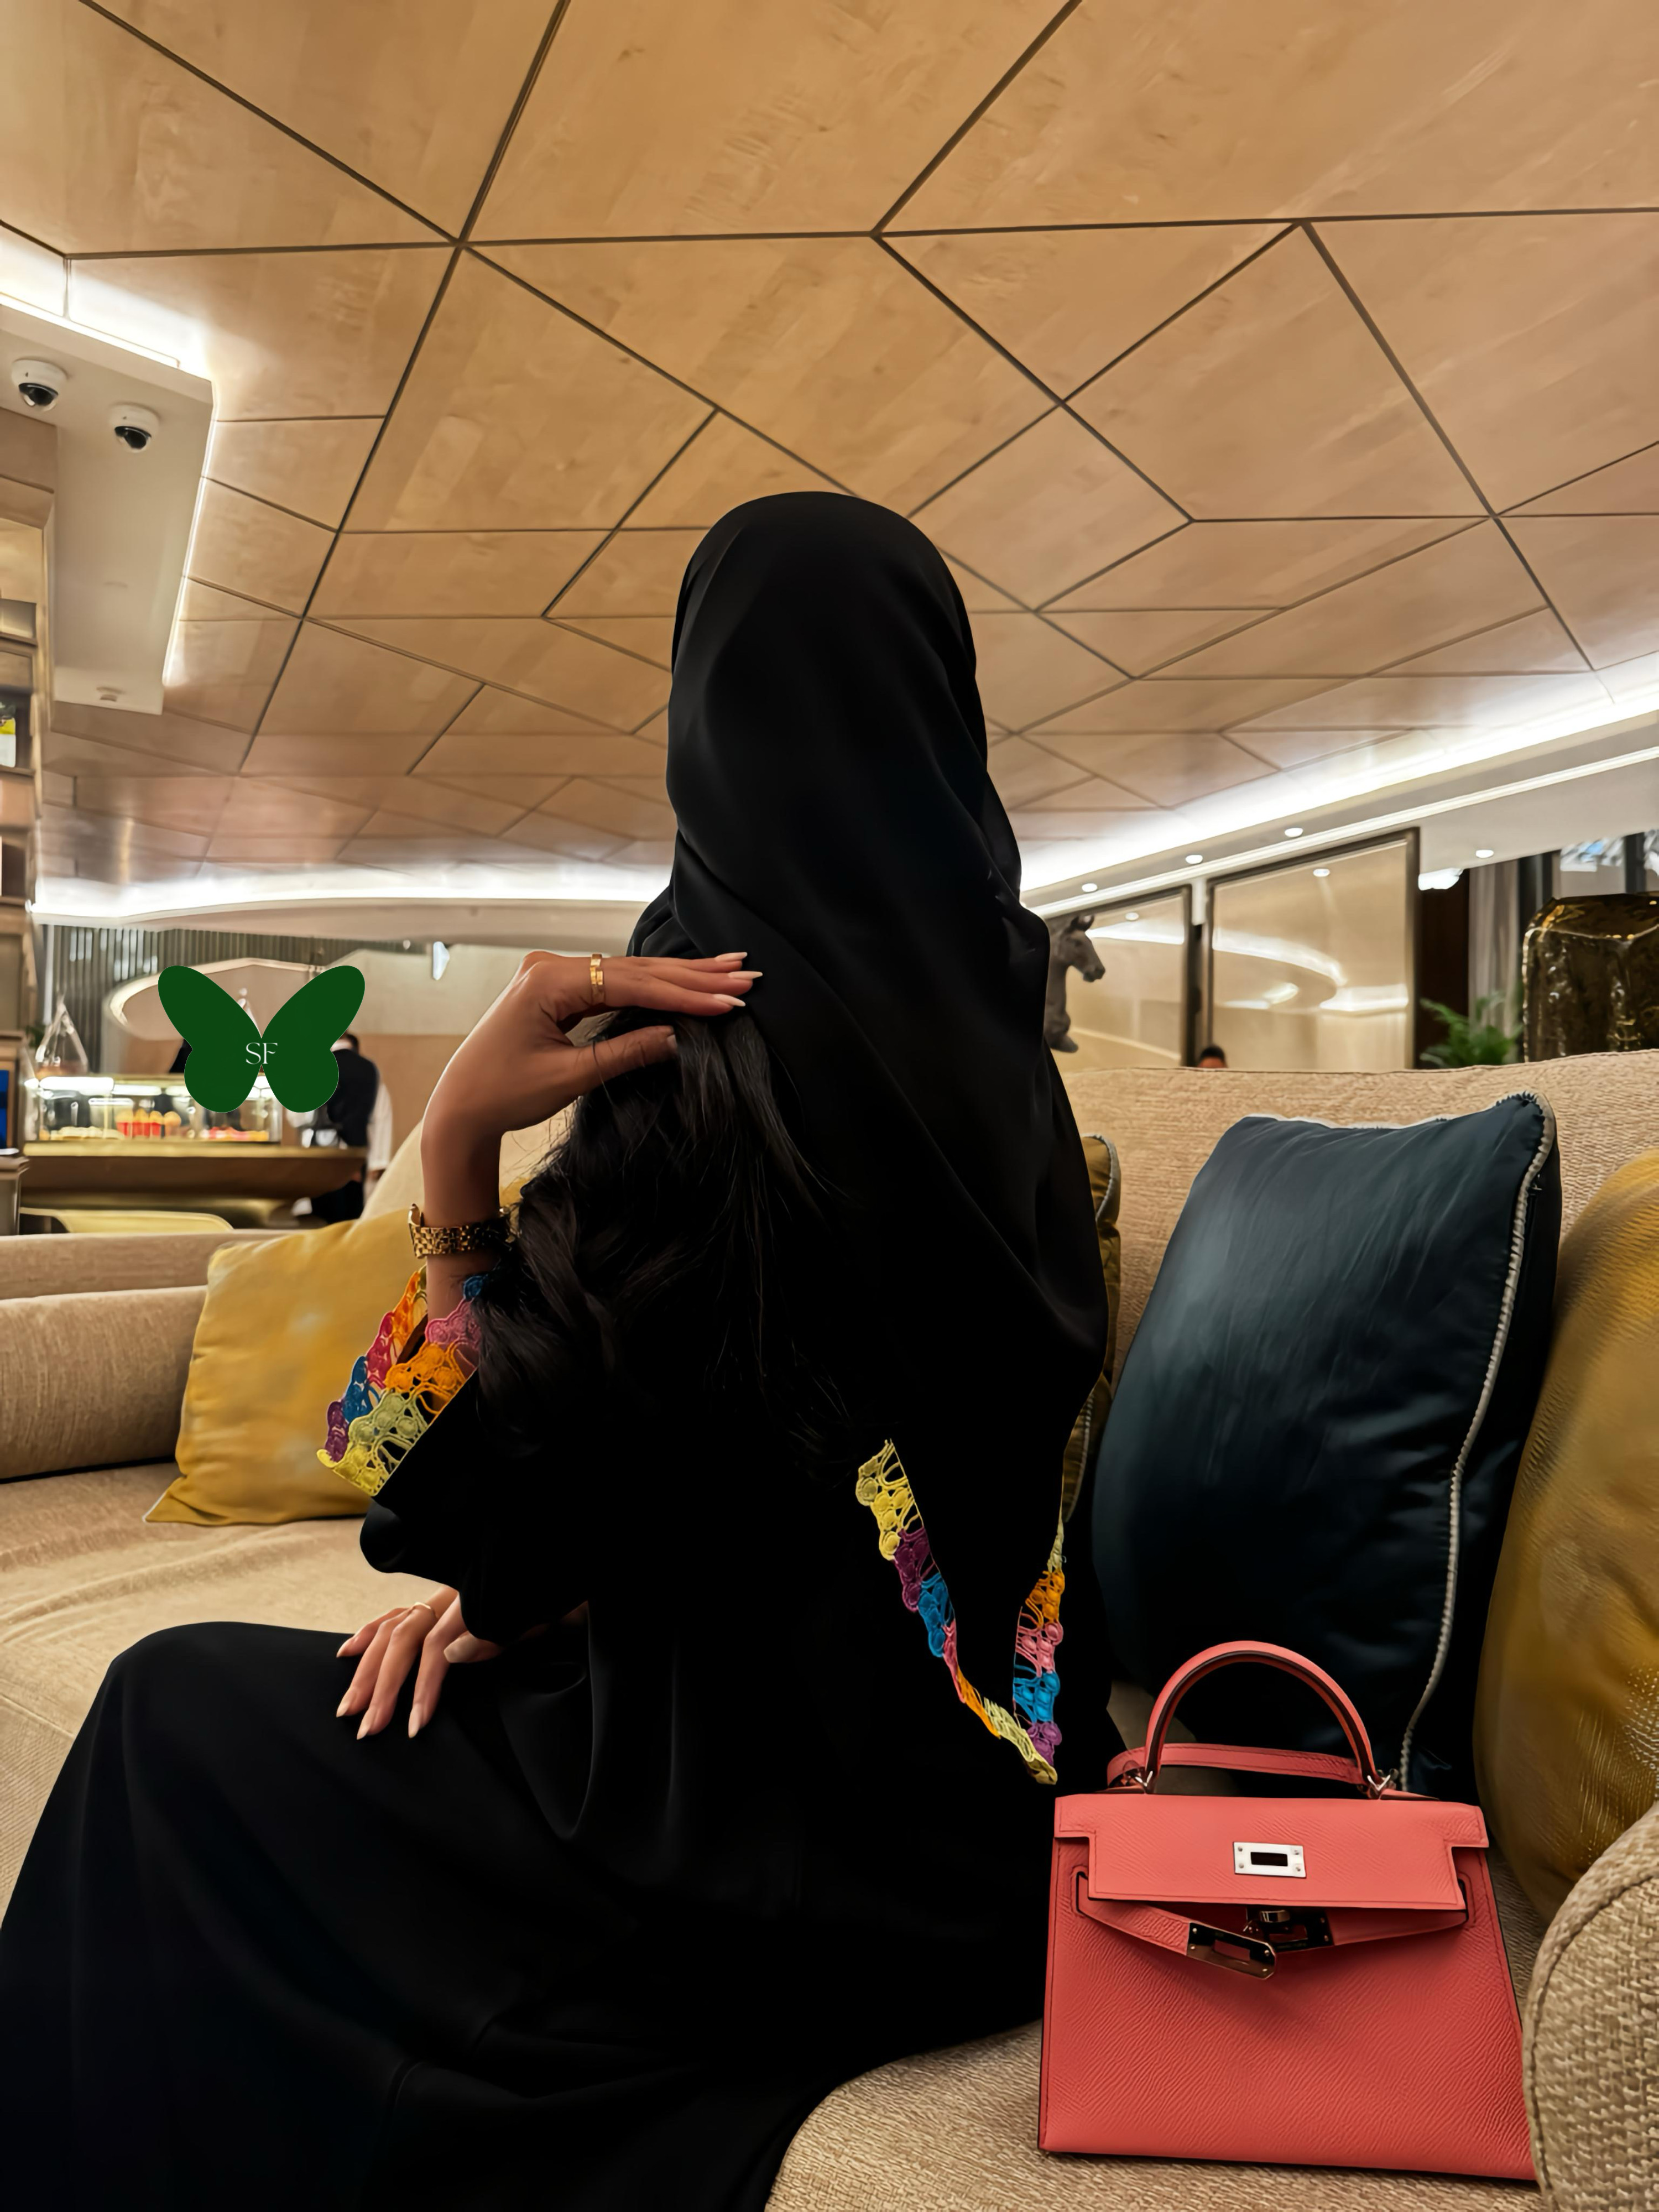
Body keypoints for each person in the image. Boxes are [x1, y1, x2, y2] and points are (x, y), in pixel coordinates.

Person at [0, 495, 1117, 2210]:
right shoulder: (1010, 1059)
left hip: (747, 1865)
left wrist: (453, 1146)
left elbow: (427, 1490)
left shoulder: (698, 1061)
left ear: (704, 726)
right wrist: (543, 1596)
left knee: (170, 1715)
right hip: (992, 1835)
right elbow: (810, 1475)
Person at [294, 1031, 394, 1222]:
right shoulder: (369, 1069)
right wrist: (379, 1161)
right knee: (350, 1217)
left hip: (320, 1156)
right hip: (355, 1156)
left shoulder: (315, 1067)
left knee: (322, 1217)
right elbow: (381, 1116)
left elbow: (298, 1117)